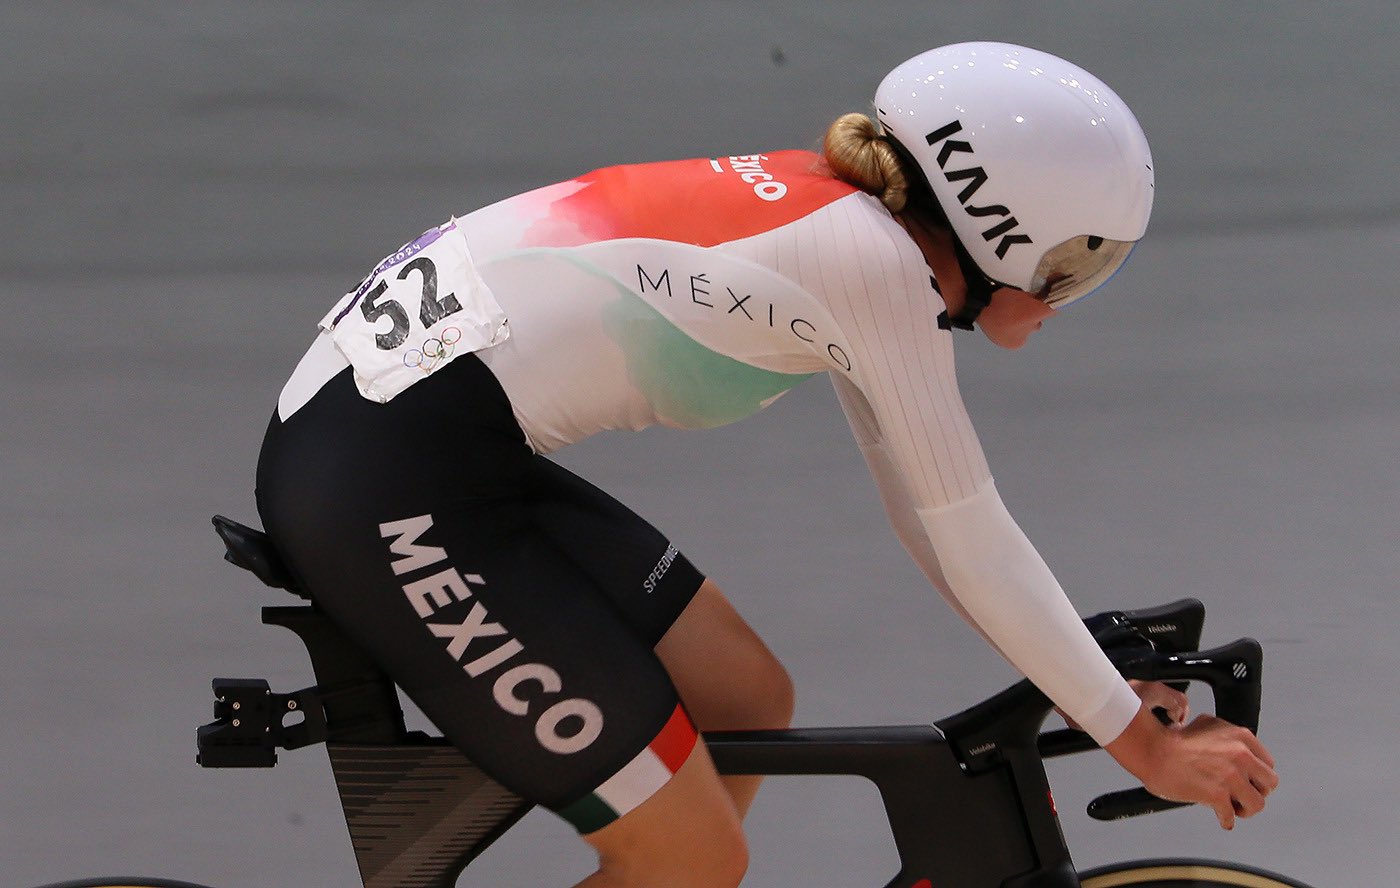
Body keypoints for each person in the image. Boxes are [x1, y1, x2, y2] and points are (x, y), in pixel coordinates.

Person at [254, 41, 1278, 888]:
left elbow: (928, 517)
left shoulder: (845, 225)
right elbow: (969, 537)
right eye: (1074, 260)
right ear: (997, 226)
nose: (1063, 295)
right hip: (389, 487)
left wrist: (1088, 688)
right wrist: (1134, 743)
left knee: (741, 694)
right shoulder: (870, 266)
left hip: (418, 449)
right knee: (689, 857)